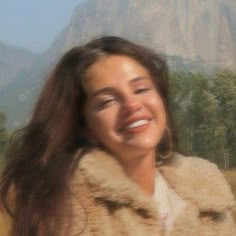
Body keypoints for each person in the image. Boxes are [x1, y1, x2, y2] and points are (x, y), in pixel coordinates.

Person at [0, 36, 235, 236]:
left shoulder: (210, 196)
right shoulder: (66, 211)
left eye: (141, 89)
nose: (132, 105)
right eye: (107, 101)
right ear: (84, 126)